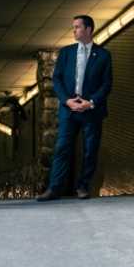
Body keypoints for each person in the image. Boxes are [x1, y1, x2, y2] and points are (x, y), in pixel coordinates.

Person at [38, 15, 113, 201]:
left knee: (90, 149)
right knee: (62, 148)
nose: (74, 30)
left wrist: (91, 102)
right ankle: (54, 188)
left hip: (91, 110)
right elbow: (57, 78)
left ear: (88, 30)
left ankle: (83, 186)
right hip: (69, 109)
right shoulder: (66, 52)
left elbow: (107, 84)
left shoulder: (103, 55)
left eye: (77, 27)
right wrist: (66, 101)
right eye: (73, 27)